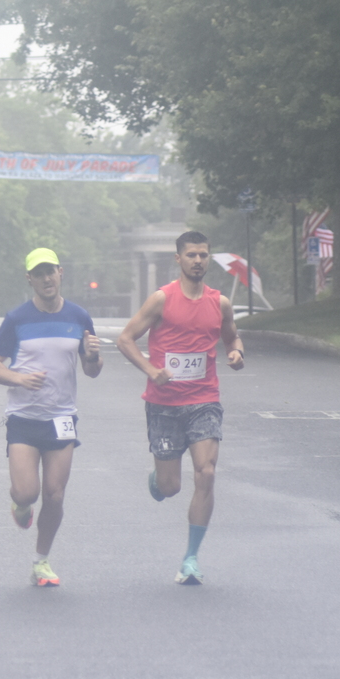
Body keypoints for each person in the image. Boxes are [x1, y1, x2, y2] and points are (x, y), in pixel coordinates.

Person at [115, 229, 245, 586]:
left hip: (204, 400)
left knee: (206, 472)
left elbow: (231, 335)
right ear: (179, 259)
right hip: (164, 405)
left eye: (204, 255)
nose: (198, 261)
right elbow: (125, 340)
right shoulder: (161, 299)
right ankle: (158, 480)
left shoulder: (219, 302)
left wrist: (236, 351)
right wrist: (151, 370)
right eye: (192, 255)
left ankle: (191, 558)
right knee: (171, 487)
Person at [0, 248, 102, 587]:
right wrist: (18, 378)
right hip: (23, 417)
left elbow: (91, 370)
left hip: (62, 417)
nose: (47, 278)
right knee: (26, 493)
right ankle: (19, 506)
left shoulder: (79, 317)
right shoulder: (17, 319)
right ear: (30, 279)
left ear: (61, 273)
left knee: (55, 494)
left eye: (51, 271)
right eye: (39, 273)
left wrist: (93, 357)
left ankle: (41, 560)